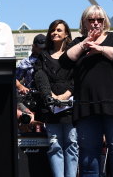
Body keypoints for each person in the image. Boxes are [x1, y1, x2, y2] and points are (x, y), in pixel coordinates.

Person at [60, 5, 113, 177]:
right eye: (91, 20)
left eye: (99, 19)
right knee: (88, 152)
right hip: (87, 105)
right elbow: (64, 62)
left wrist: (101, 49)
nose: (95, 23)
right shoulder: (78, 43)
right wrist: (85, 45)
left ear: (105, 21)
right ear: (84, 22)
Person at [34, 20, 78, 177]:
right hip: (51, 108)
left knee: (72, 144)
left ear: (66, 34)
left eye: (59, 30)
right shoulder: (43, 56)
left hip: (70, 108)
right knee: (55, 146)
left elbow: (78, 77)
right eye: (53, 30)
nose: (55, 32)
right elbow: (39, 76)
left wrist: (66, 95)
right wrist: (51, 96)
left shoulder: (74, 54)